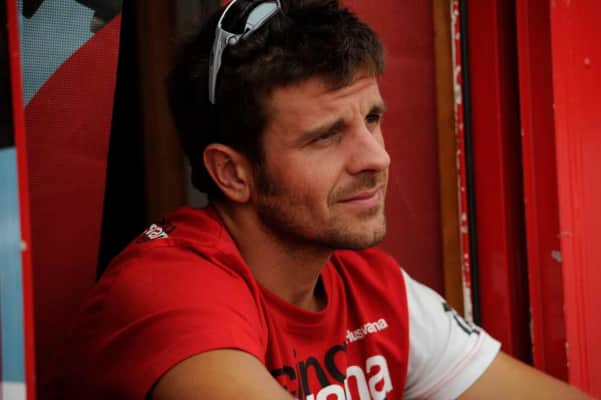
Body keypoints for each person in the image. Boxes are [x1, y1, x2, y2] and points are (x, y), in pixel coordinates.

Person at [65, 0, 592, 399]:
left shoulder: (370, 285)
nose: (376, 158)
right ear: (232, 173)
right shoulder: (169, 286)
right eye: (326, 136)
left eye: (372, 119)